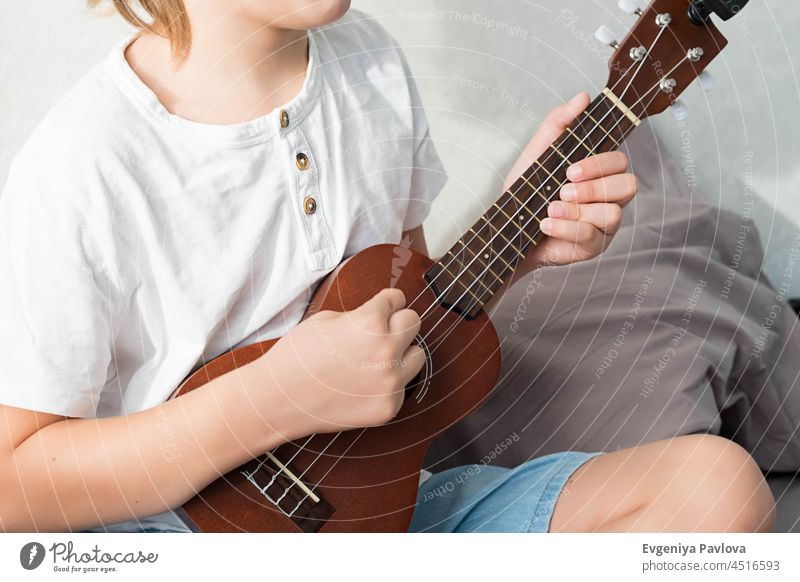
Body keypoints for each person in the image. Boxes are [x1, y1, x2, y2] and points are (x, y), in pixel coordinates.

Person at [0, 0, 775, 533]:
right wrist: (269, 401)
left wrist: (515, 242)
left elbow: (400, 315)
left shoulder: (369, 66)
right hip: (179, 535)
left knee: (717, 489)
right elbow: (13, 486)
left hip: (381, 518)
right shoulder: (83, 168)